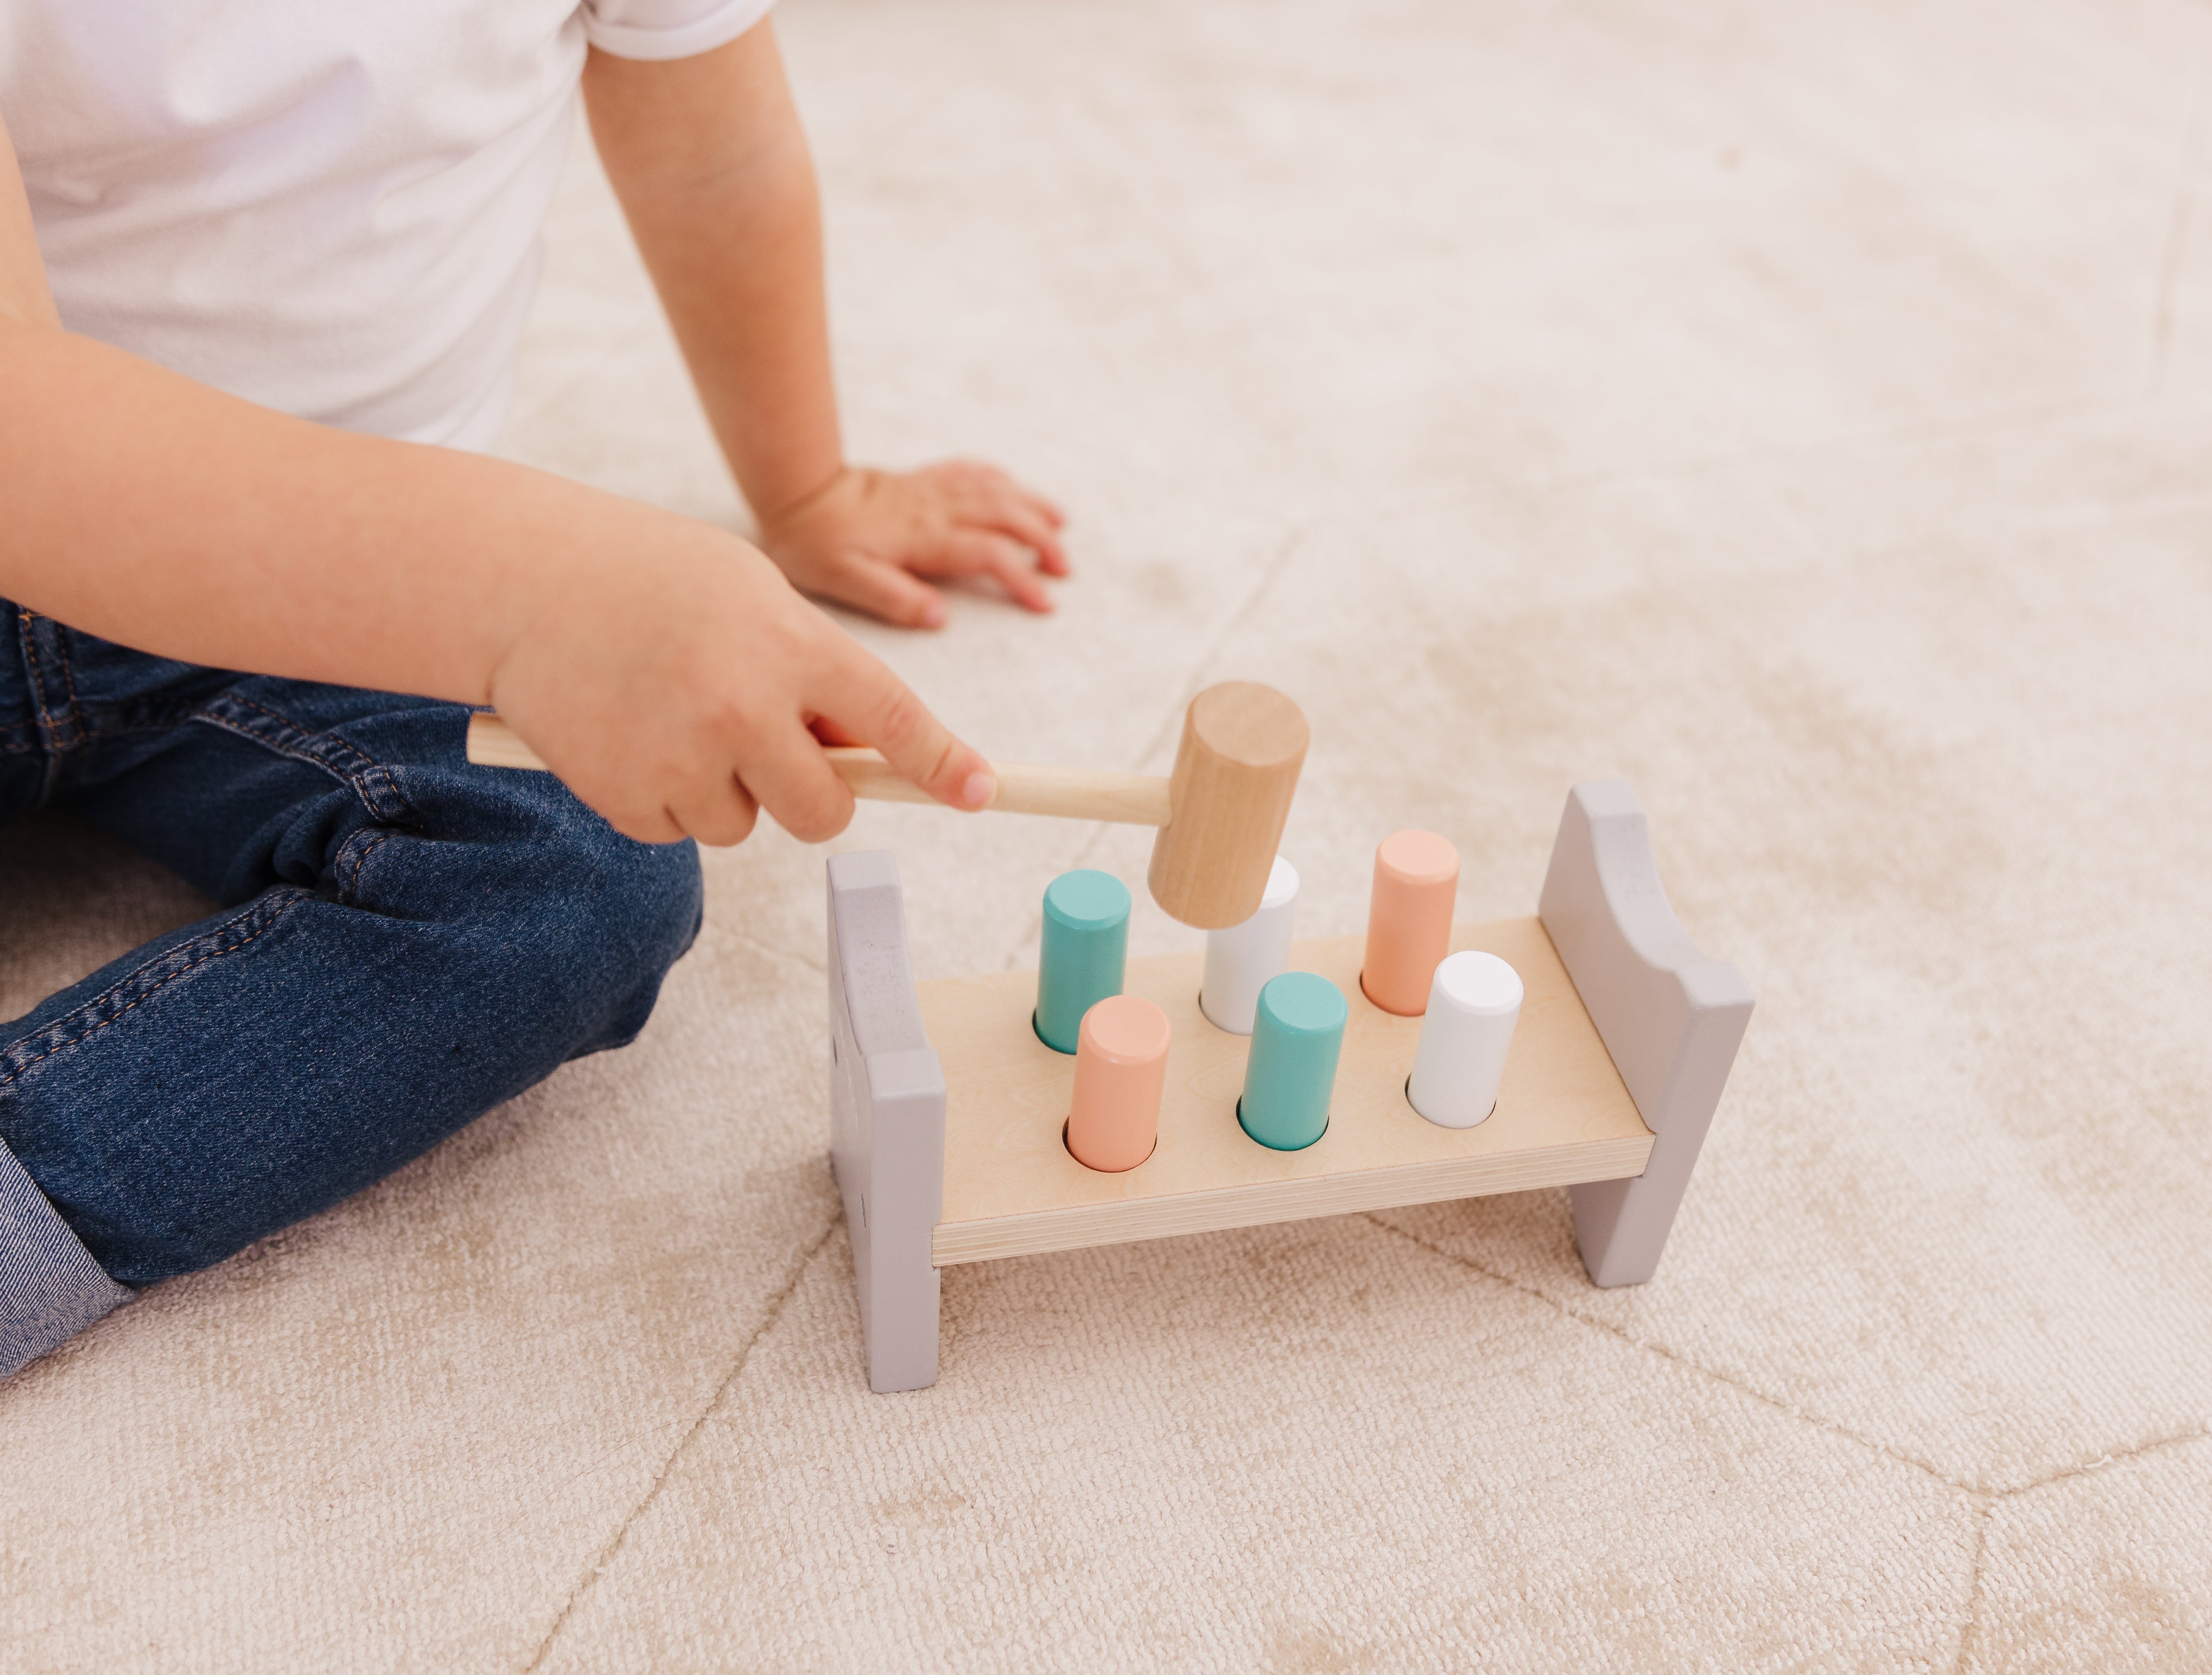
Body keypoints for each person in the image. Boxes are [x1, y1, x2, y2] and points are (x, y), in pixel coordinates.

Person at [0, 3, 1067, 1379]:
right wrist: (528, 596)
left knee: (587, 857)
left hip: (338, 606)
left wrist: (803, 485)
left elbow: (714, 153)